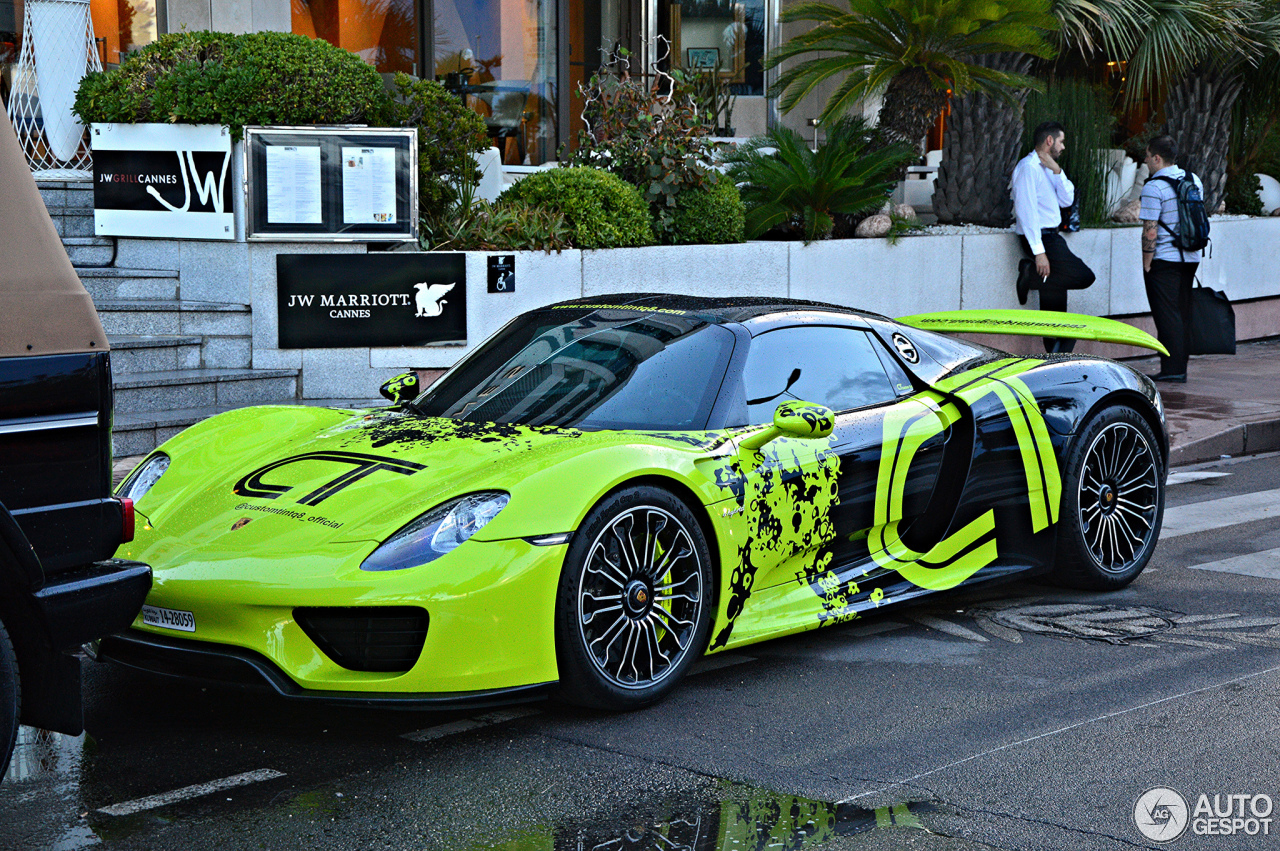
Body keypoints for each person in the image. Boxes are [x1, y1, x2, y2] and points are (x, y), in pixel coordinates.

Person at [1010, 121, 1097, 353]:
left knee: (1054, 297)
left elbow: (1067, 200)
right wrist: (1039, 253)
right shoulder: (1028, 168)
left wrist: (1057, 171)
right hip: (1041, 239)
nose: (1063, 146)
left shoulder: (1049, 169)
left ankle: (1057, 351)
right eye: (1061, 141)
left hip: (1051, 236)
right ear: (1050, 141)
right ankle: (1030, 276)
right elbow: (1025, 211)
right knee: (1083, 276)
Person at [1140, 134, 1203, 383]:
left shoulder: (1153, 187)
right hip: (1192, 255)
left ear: (1157, 158)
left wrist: (1147, 262)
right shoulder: (1193, 179)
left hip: (1164, 259)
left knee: (1167, 314)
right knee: (1182, 311)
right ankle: (1178, 366)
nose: (1145, 161)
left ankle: (1173, 370)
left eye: (1147, 156)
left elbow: (1150, 229)